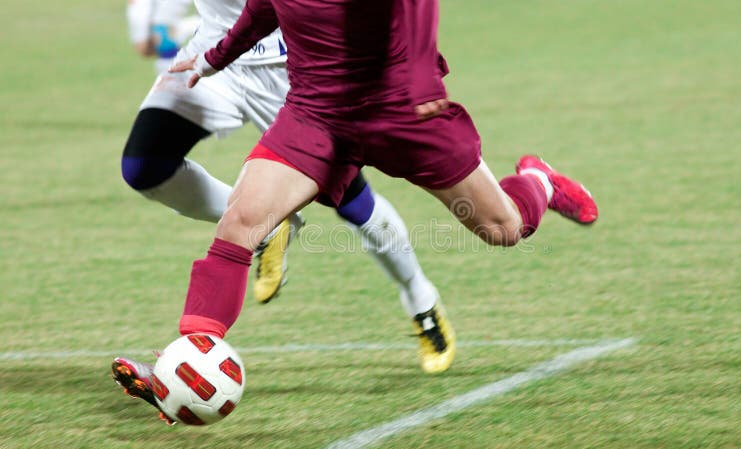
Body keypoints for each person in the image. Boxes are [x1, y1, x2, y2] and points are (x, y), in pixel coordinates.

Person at [113, 0, 597, 425]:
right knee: (240, 224)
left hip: (397, 106)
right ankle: (183, 362)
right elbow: (261, 8)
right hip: (313, 111)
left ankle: (539, 182)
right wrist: (215, 57)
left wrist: (424, 73)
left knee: (503, 228)